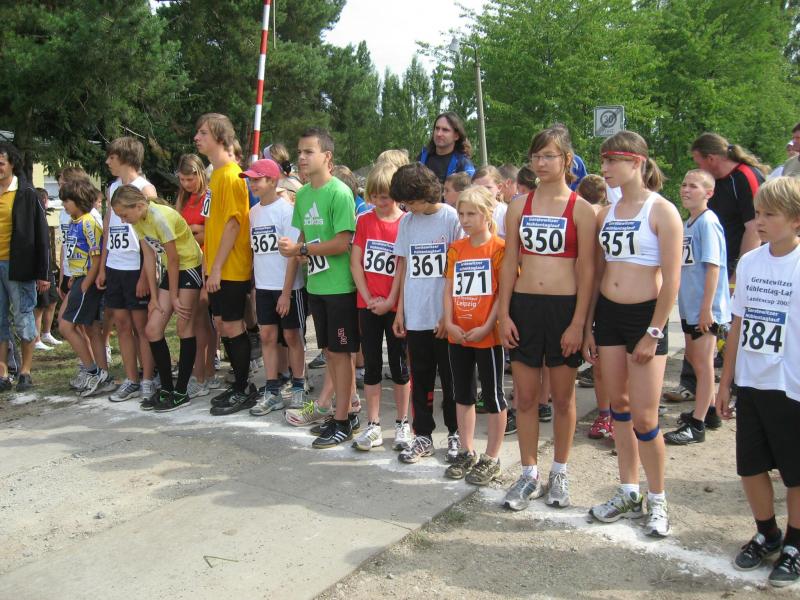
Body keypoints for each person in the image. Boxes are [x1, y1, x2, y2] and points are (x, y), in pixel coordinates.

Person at [584, 131, 682, 538]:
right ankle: (628, 490)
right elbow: (598, 273)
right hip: (608, 315)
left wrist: (653, 333)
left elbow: (672, 280)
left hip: (645, 318)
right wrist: (588, 325)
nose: (604, 168)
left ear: (636, 162)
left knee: (645, 416)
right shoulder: (605, 214)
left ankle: (658, 498)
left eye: (612, 160)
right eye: (603, 160)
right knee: (618, 408)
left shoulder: (663, 211)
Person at [499, 127, 595, 510]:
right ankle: (528, 474)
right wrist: (503, 314)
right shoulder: (519, 206)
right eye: (536, 156)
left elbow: (588, 270)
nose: (540, 163)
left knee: (563, 398)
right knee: (524, 397)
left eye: (549, 156)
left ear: (566, 160)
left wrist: (578, 323)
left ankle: (560, 471)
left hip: (563, 310)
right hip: (524, 308)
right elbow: (510, 262)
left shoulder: (581, 209)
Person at [716, 177, 800, 587]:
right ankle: (767, 532)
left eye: (770, 214)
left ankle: (795, 545)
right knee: (749, 466)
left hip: (792, 384)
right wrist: (725, 381)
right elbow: (737, 324)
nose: (760, 221)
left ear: (796, 220)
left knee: (795, 472)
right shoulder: (750, 262)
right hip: (752, 381)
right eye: (758, 213)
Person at [278, 127, 359, 449]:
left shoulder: (339, 193)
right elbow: (303, 238)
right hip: (317, 285)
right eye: (299, 151)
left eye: (308, 152)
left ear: (327, 157)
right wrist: (295, 250)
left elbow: (342, 242)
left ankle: (342, 420)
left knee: (341, 353)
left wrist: (302, 250)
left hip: (340, 288)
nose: (301, 157)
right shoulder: (304, 195)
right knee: (330, 353)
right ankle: (346, 413)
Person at [391, 163, 463, 464]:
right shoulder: (407, 222)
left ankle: (456, 432)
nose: (406, 207)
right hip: (416, 314)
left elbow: (460, 268)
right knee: (420, 378)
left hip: (444, 316)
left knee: (452, 379)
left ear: (424, 194)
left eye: (410, 201)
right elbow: (404, 266)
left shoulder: (452, 218)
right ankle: (422, 434)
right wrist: (399, 310)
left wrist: (450, 314)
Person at [110, 185, 203, 411]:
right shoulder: (138, 220)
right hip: (172, 271)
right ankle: (167, 389)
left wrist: (174, 296)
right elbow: (150, 258)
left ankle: (181, 391)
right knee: (152, 330)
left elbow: (174, 258)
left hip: (188, 266)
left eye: (124, 214)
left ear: (139, 206)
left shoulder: (160, 217)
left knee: (184, 327)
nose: (123, 220)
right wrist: (153, 297)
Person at [194, 113, 257, 415]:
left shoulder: (233, 176)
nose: (197, 138)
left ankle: (243, 387)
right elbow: (214, 223)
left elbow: (234, 224)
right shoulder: (215, 176)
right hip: (216, 266)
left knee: (232, 325)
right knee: (220, 324)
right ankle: (237, 383)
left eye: (203, 133)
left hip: (230, 267)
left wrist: (217, 267)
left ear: (220, 138)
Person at [444, 185, 507, 484]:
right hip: (458, 333)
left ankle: (492, 456)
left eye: (472, 214)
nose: (465, 219)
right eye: (461, 213)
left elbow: (501, 293)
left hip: (487, 335)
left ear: (487, 213)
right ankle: (466, 450)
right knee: (463, 394)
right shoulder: (457, 248)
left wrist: (488, 326)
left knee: (493, 396)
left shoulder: (499, 249)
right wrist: (449, 322)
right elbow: (448, 288)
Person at [662, 170, 731, 444]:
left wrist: (707, 308)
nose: (686, 190)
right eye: (684, 184)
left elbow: (713, 267)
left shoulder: (708, 222)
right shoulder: (688, 223)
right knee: (694, 358)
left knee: (703, 365)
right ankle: (709, 410)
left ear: (708, 193)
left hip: (705, 308)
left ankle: (697, 424)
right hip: (690, 306)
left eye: (693, 186)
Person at [349, 162, 411, 451]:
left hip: (395, 306)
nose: (379, 202)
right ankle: (373, 424)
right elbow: (356, 262)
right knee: (372, 365)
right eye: (374, 196)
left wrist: (390, 301)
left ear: (395, 195)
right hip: (368, 305)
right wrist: (367, 297)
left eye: (384, 197)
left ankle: (402, 422)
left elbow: (401, 266)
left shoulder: (405, 223)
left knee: (399, 366)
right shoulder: (364, 220)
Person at [241, 159, 307, 415]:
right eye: (250, 179)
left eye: (256, 179)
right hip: (264, 286)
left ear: (272, 180)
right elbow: (257, 252)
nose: (252, 183)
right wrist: (255, 286)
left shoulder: (286, 211)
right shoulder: (253, 212)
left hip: (286, 287)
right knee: (267, 336)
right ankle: (272, 390)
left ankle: (299, 385)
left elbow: (292, 255)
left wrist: (286, 293)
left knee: (291, 336)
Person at [98, 137, 157, 403]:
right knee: (121, 323)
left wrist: (146, 273)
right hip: (115, 264)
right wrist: (103, 266)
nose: (107, 161)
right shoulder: (112, 188)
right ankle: (131, 378)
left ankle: (148, 378)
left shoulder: (145, 188)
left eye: (111, 157)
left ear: (124, 158)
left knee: (141, 325)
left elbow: (153, 235)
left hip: (136, 265)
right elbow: (108, 227)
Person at [0, 142, 51, 392]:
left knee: (23, 317)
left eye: (0, 163)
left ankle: (25, 371)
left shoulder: (27, 193)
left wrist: (43, 273)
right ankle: (2, 373)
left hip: (18, 265)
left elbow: (42, 235)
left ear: (11, 164)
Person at [58, 179, 110, 397]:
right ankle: (102, 373)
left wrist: (86, 282)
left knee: (65, 326)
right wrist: (73, 275)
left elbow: (96, 257)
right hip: (79, 278)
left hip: (87, 281)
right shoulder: (74, 221)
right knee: (91, 328)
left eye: (67, 201)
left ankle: (92, 370)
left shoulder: (89, 222)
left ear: (79, 200)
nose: (64, 205)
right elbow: (77, 251)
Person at [175, 153, 218, 396]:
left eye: (190, 179)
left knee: (201, 317)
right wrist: (193, 230)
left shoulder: (208, 196)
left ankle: (203, 372)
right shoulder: (183, 198)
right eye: (182, 180)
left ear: (200, 175)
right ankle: (202, 371)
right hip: (187, 262)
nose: (187, 184)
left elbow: (210, 232)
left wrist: (195, 230)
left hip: (205, 261)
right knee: (195, 319)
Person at [576, 174, 613, 439]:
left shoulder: (606, 215)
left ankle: (619, 416)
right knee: (599, 362)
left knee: (618, 364)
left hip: (616, 295)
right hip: (594, 294)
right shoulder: (592, 215)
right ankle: (604, 414)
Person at [32, 188, 61, 351]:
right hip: (40, 268)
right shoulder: (34, 219)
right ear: (44, 201)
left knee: (52, 299)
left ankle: (46, 333)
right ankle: (36, 339)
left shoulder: (43, 216)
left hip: (48, 264)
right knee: (40, 304)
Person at [417, 112, 476, 184]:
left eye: (445, 130)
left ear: (456, 136)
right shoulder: (422, 158)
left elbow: (472, 189)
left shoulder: (464, 165)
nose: (439, 134)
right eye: (437, 128)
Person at [472, 165, 508, 238]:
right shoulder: (466, 211)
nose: (482, 192)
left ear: (499, 187)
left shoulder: (505, 212)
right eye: (477, 188)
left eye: (488, 187)